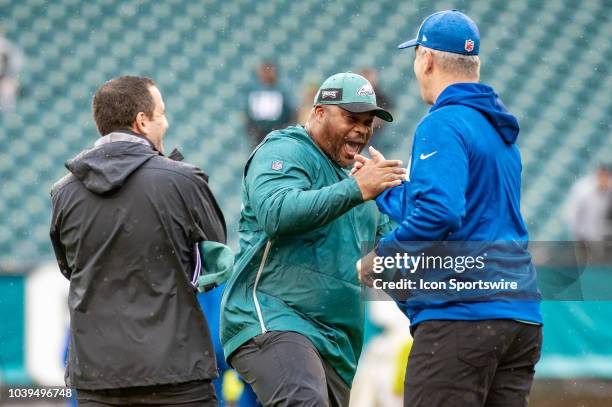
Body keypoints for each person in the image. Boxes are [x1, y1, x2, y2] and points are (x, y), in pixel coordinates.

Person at [357, 10, 543, 406]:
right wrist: (387, 187)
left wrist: (382, 258)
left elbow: (440, 213)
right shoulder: (498, 130)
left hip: (463, 315)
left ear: (426, 59)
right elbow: (459, 208)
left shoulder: (442, 123)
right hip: (519, 317)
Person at [220, 72, 405, 406]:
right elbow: (276, 213)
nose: (362, 129)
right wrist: (357, 189)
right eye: (351, 118)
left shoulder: (362, 179)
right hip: (274, 317)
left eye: (368, 122)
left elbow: (391, 258)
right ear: (319, 112)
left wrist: (396, 201)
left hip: (337, 341)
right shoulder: (287, 149)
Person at [50, 76, 226, 406]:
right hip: (178, 375)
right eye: (162, 113)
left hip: (97, 379)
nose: (167, 122)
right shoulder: (183, 180)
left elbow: (69, 268)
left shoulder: (62, 193)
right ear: (142, 121)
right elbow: (215, 254)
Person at [244, 61, 295, 145]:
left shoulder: (282, 91)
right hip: (258, 135)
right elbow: (248, 114)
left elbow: (289, 113)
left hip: (277, 133)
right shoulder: (254, 92)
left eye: (269, 71)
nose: (266, 74)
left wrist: (281, 128)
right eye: (263, 71)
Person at [564, 163, 612, 242]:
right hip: (584, 236)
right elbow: (572, 214)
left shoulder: (608, 190)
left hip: (602, 236)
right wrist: (578, 233)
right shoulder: (583, 190)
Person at [0, 24, 25, 111]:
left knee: (7, 85)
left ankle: (7, 107)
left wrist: (7, 76)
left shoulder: (8, 47)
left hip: (4, 75)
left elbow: (16, 64)